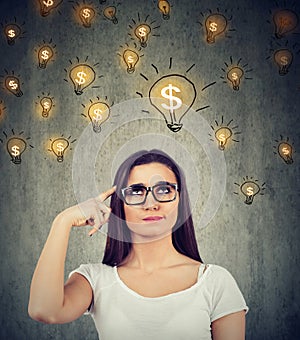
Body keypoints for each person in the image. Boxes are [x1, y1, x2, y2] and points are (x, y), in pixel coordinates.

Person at [28, 149, 248, 340]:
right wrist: (62, 221)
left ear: (179, 199)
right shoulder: (94, 280)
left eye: (164, 190)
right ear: (119, 204)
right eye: (136, 191)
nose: (151, 204)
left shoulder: (216, 282)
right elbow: (44, 311)